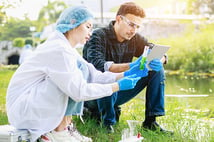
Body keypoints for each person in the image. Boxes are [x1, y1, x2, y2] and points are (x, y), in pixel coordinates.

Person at [6, 5, 148, 142]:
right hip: (24, 110)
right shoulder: (58, 50)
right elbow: (79, 91)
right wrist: (116, 86)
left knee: (82, 70)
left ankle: (65, 127)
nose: (90, 33)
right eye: (88, 27)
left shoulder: (67, 48)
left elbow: (94, 75)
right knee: (72, 78)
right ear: (73, 24)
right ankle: (58, 131)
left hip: (31, 102)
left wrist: (127, 73)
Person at [83, 2, 171, 134]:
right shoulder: (97, 36)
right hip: (94, 94)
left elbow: (157, 51)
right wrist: (132, 66)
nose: (133, 30)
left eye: (137, 27)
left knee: (156, 70)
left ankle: (150, 122)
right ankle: (105, 122)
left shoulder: (135, 38)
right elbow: (98, 67)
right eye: (131, 24)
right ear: (119, 19)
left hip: (119, 88)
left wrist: (161, 59)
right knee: (106, 78)